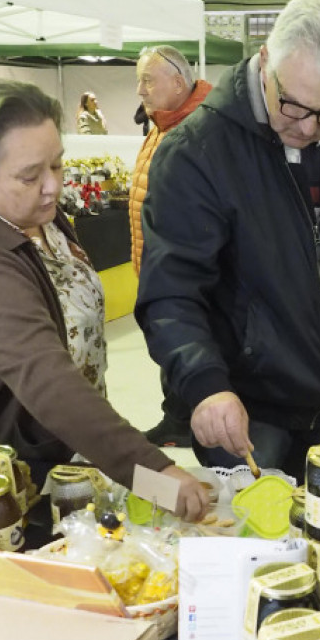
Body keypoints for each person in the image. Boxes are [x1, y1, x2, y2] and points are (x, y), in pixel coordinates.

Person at [0, 79, 209, 522]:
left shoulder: (26, 212)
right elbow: (48, 382)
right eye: (30, 175)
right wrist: (155, 474)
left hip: (60, 447)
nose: (52, 186)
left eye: (57, 164)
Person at [135, 0, 320, 482]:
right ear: (266, 59)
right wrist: (205, 386)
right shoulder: (197, 152)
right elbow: (171, 293)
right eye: (293, 105)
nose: (310, 128)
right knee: (252, 547)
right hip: (248, 414)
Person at [129, 46, 213, 446]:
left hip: (179, 265)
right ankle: (177, 416)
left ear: (178, 83)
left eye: (147, 79)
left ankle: (188, 418)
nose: (140, 90)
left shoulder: (198, 130)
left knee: (185, 337)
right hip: (156, 260)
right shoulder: (164, 124)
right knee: (166, 339)